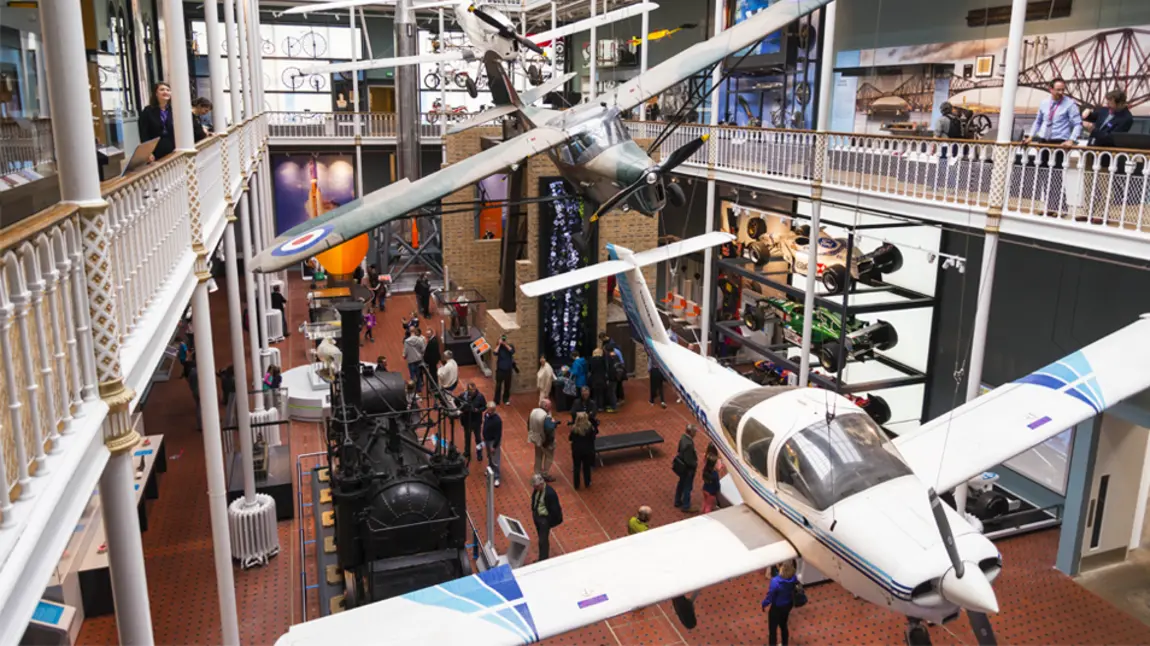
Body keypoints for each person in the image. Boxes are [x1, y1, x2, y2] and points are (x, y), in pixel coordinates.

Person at [1023, 78, 1083, 217]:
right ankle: (1049, 206)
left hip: (1059, 142)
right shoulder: (1044, 103)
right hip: (1044, 141)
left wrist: (1071, 140)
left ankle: (1060, 209)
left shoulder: (1069, 104)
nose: (1061, 92)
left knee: (1055, 174)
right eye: (1058, 89)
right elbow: (1038, 121)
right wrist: (1031, 136)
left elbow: (1078, 124)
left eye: (1063, 89)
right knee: (1044, 174)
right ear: (1051, 89)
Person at [761, 561, 799, 646]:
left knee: (772, 630)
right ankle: (785, 644)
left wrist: (764, 604)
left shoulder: (776, 581)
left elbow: (770, 595)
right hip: (788, 605)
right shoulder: (793, 578)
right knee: (783, 626)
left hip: (777, 607)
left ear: (781, 568)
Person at [139, 82, 176, 161]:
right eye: (162, 90)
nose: (165, 92)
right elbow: (144, 134)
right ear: (156, 93)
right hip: (155, 151)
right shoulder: (147, 111)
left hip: (173, 149)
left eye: (168, 90)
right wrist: (148, 152)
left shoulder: (174, 110)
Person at [530, 474, 562, 562]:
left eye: (536, 486)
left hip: (545, 519)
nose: (535, 488)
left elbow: (555, 510)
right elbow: (535, 499)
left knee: (542, 541)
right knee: (541, 537)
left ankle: (543, 560)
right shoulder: (537, 490)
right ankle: (543, 557)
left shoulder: (550, 493)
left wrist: (548, 521)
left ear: (541, 484)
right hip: (537, 515)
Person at [528, 399, 556, 481]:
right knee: (549, 456)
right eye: (550, 405)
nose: (551, 407)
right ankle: (545, 474)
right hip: (544, 440)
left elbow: (528, 423)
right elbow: (549, 429)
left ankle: (537, 473)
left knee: (538, 456)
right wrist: (553, 423)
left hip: (535, 438)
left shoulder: (533, 411)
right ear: (546, 406)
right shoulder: (546, 416)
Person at [568, 411, 597, 490]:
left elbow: (570, 438)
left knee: (576, 467)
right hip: (587, 451)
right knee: (586, 467)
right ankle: (587, 482)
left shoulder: (574, 429)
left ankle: (576, 484)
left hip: (576, 451)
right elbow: (593, 437)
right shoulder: (589, 428)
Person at [458, 383, 486, 461]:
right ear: (468, 390)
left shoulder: (480, 396)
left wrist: (478, 410)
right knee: (467, 437)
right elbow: (456, 402)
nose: (473, 391)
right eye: (471, 390)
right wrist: (461, 409)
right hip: (467, 421)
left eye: (474, 389)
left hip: (476, 421)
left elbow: (484, 406)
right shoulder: (463, 396)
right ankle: (467, 452)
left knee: (478, 438)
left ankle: (479, 453)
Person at [673, 424, 698, 512]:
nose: (695, 434)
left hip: (682, 466)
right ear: (691, 432)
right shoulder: (689, 444)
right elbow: (689, 460)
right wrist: (695, 464)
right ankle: (686, 506)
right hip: (688, 469)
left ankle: (677, 501)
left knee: (681, 483)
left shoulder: (683, 439)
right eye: (694, 432)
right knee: (687, 486)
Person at [481, 402, 503, 485]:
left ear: (493, 410)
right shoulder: (486, 415)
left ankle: (497, 477)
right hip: (487, 440)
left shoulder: (497, 420)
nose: (488, 411)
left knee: (495, 459)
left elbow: (498, 434)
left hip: (493, 441)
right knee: (489, 456)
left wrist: (494, 446)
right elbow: (485, 425)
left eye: (489, 410)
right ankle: (490, 469)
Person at [403, 325, 427, 390]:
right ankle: (419, 388)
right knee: (418, 375)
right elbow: (423, 349)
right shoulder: (420, 340)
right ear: (415, 331)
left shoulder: (406, 341)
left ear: (410, 331)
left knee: (412, 376)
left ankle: (413, 389)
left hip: (411, 361)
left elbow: (405, 352)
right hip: (419, 360)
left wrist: (404, 356)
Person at [493, 335, 515, 405]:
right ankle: (496, 400)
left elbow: (512, 351)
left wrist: (505, 344)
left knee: (507, 386)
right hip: (500, 370)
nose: (503, 340)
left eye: (504, 339)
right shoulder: (499, 347)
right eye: (502, 339)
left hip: (508, 370)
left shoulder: (510, 346)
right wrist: (499, 344)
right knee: (498, 385)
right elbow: (495, 352)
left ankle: (505, 399)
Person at [701, 444, 722, 513]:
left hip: (705, 489)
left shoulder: (705, 470)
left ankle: (702, 511)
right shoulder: (715, 474)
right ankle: (706, 516)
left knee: (705, 502)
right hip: (711, 492)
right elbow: (717, 484)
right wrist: (718, 489)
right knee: (709, 506)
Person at [588, 348, 611, 412]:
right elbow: (606, 368)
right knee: (601, 394)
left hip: (594, 378)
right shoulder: (603, 360)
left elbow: (590, 369)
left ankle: (595, 407)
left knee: (595, 394)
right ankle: (601, 407)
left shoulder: (591, 360)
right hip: (602, 378)